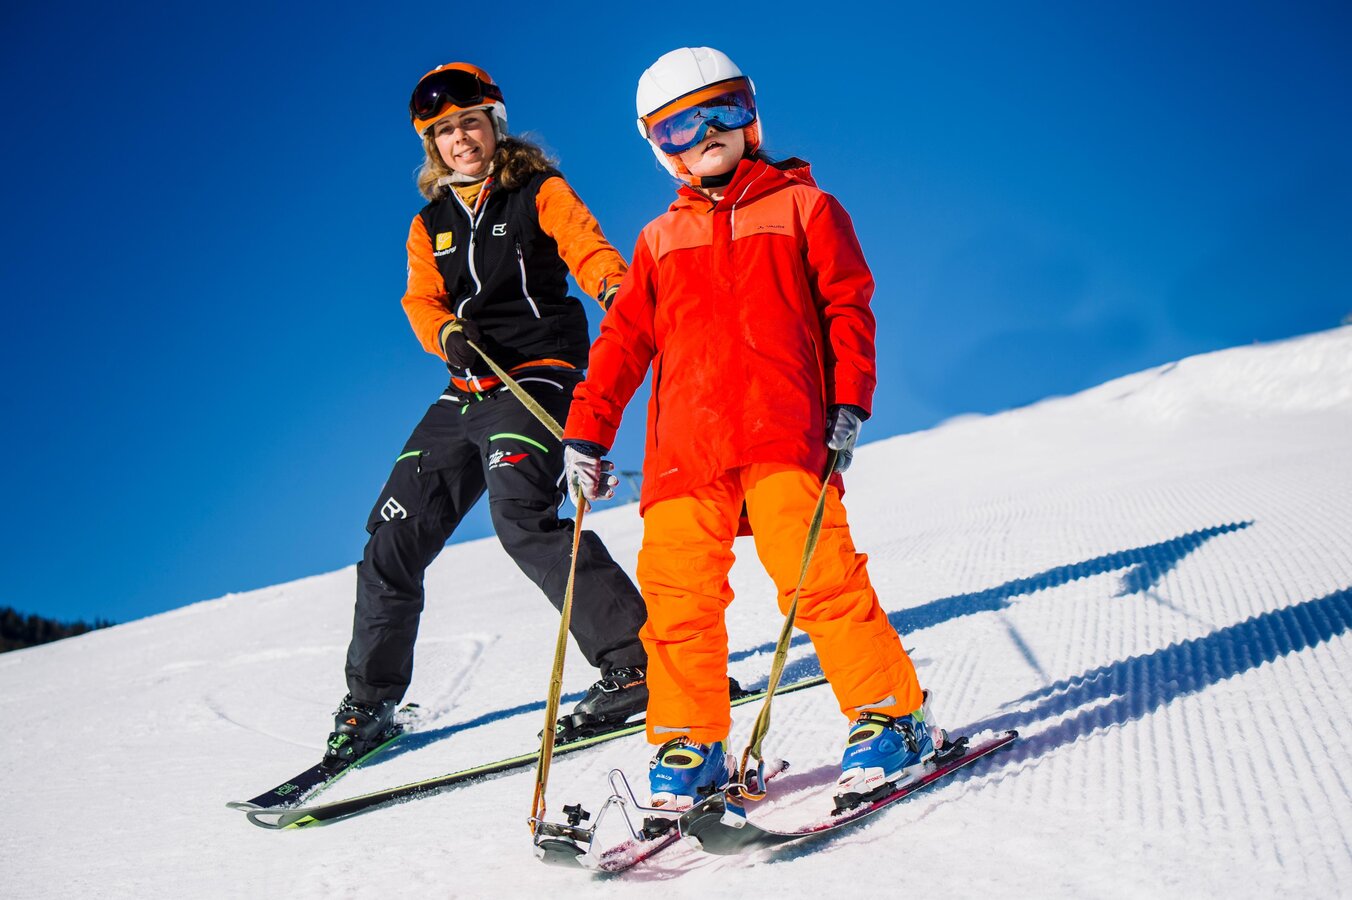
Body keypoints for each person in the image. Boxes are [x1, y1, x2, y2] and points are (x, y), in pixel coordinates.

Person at [561, 47, 941, 809]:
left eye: (723, 109)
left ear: (752, 116)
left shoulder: (807, 208)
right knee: (678, 602)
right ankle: (689, 741)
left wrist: (849, 399)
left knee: (819, 579)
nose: (707, 133)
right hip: (684, 453)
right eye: (680, 126)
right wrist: (586, 432)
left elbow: (847, 308)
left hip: (782, 431)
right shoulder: (658, 241)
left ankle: (891, 716)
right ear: (659, 147)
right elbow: (623, 343)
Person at [325, 62, 650, 766]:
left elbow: (587, 247)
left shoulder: (538, 190)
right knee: (390, 539)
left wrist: (616, 292)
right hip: (465, 387)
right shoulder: (429, 225)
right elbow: (421, 301)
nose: (460, 139)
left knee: (521, 518)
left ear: (494, 125)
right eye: (444, 131)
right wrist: (446, 333)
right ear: (433, 146)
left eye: (470, 123)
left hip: (536, 374)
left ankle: (634, 665)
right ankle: (370, 704)